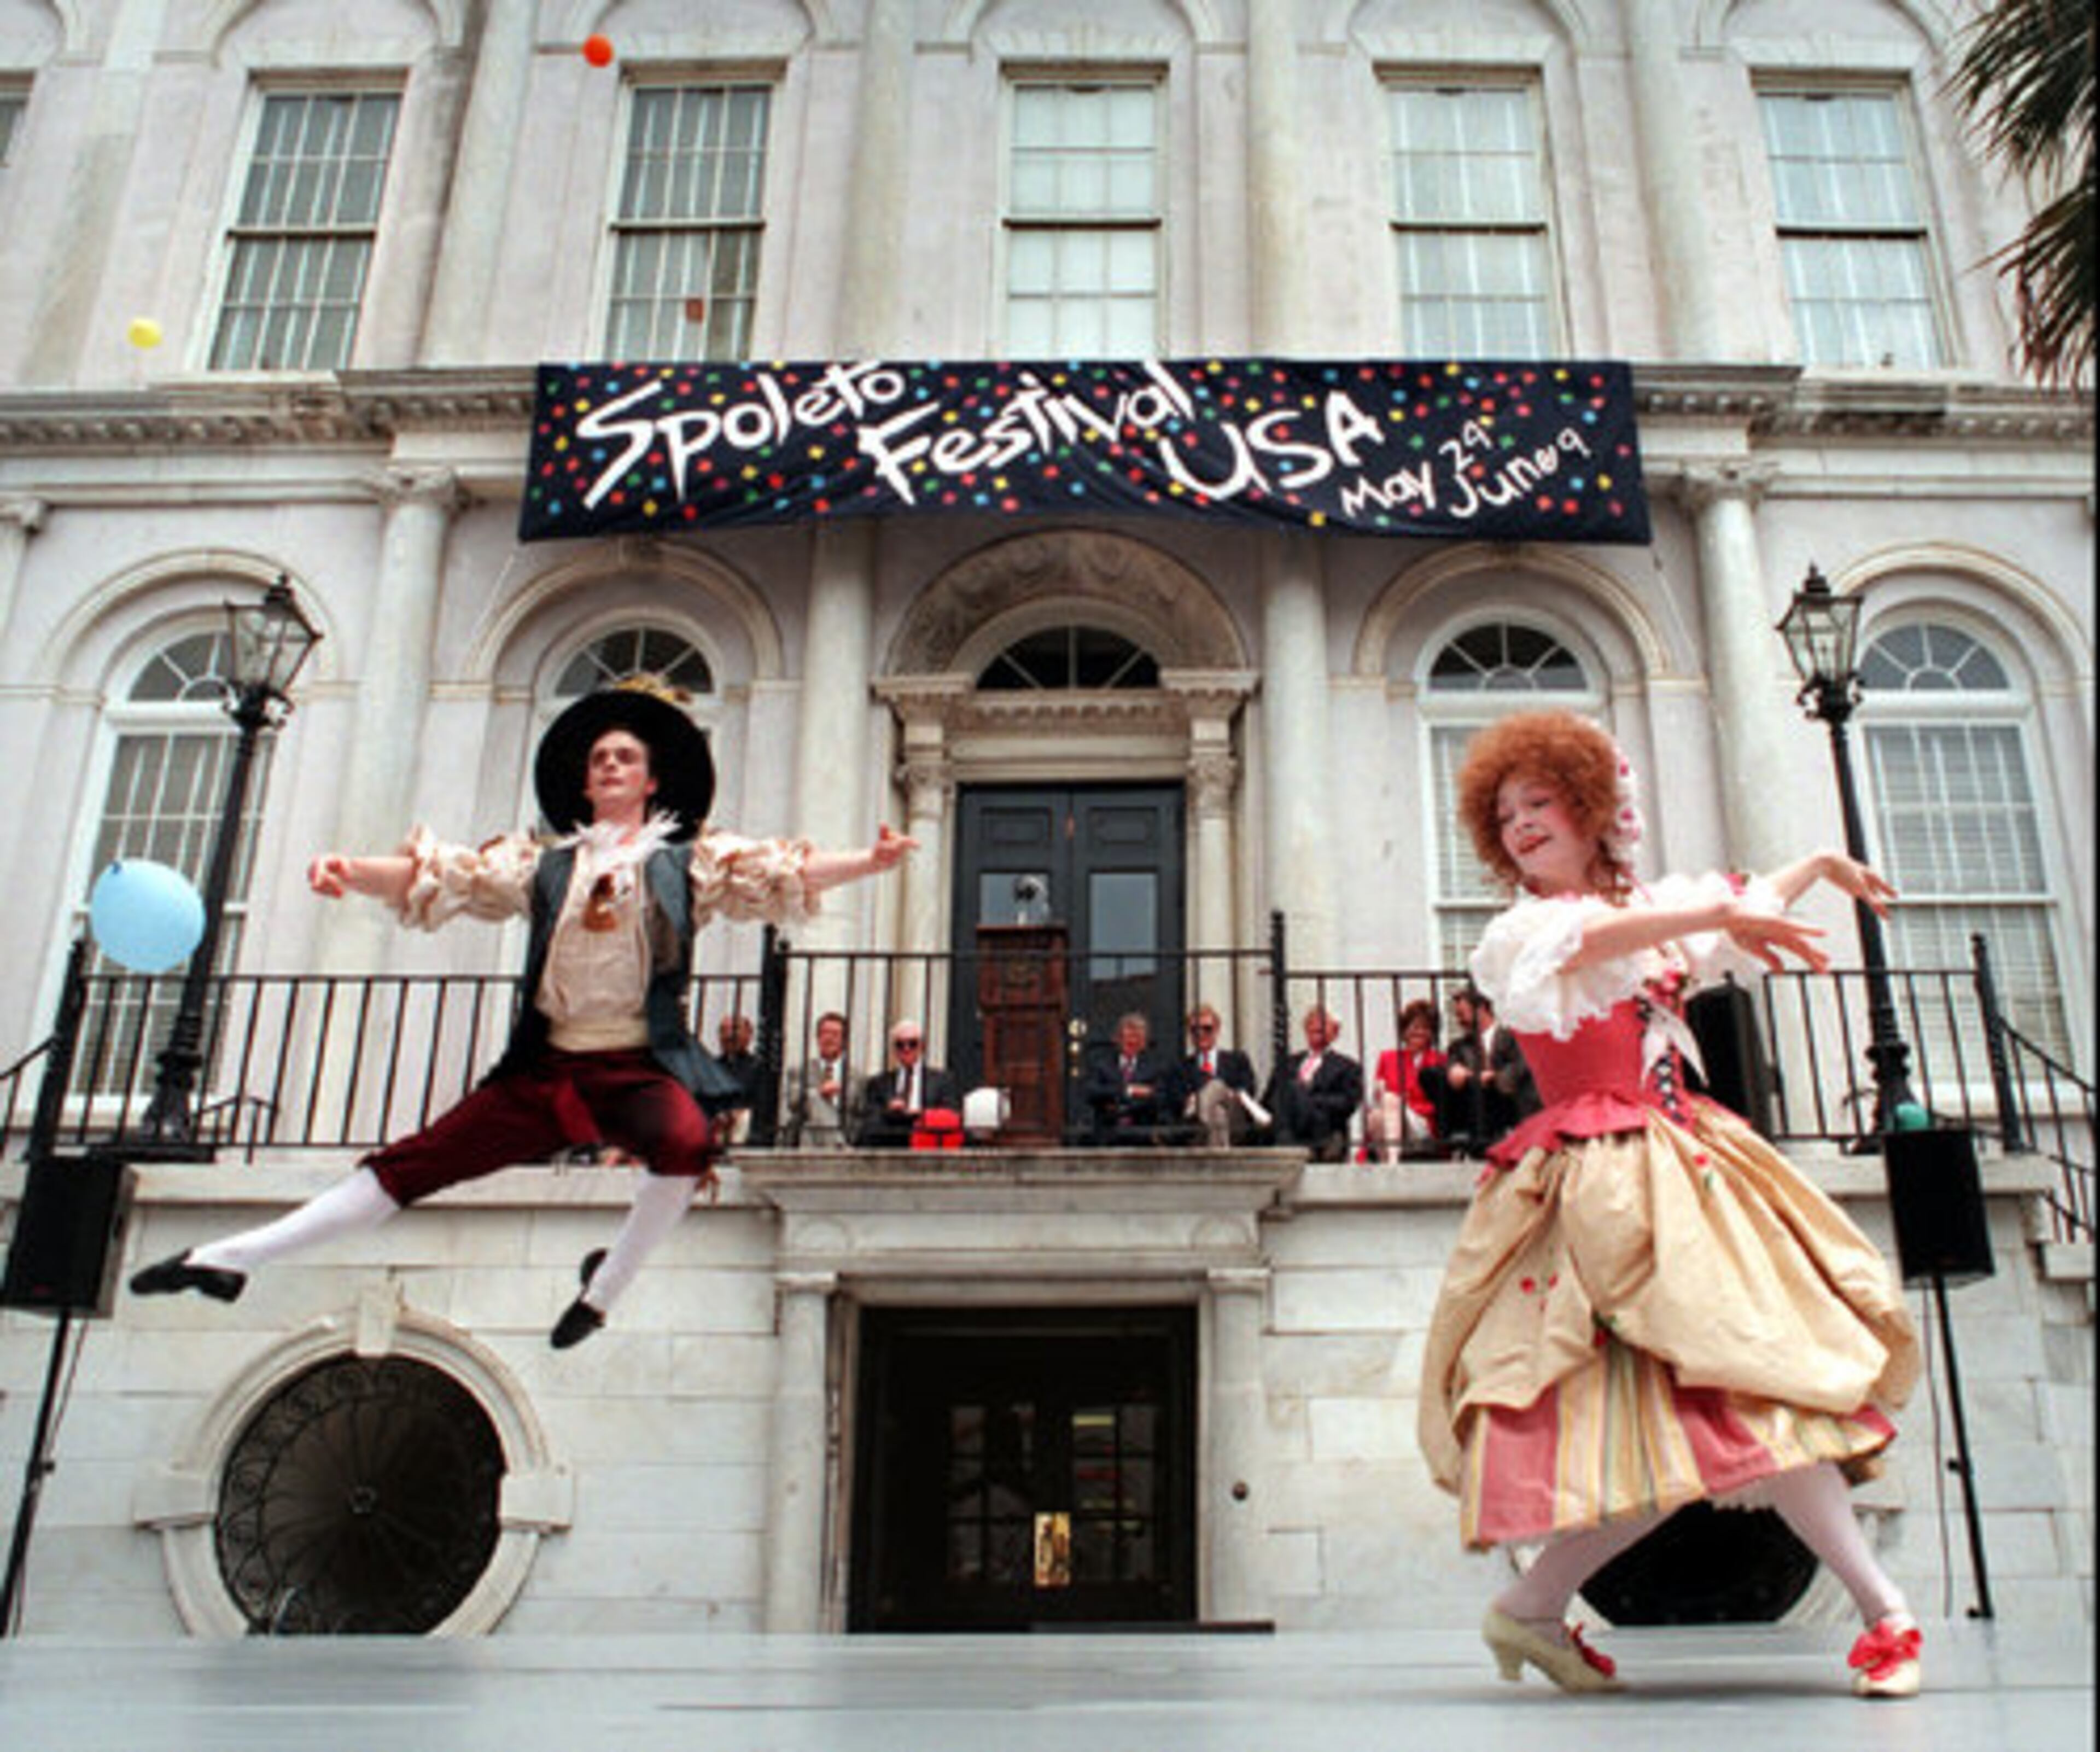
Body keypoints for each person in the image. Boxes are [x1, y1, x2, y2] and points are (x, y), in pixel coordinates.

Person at [129, 679, 915, 1348]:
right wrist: (352, 870)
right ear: (586, 783)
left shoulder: (686, 863)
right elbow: (447, 876)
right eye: (600, 757)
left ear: (650, 781)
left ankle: (600, 1291)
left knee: (684, 1140)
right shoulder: (544, 865)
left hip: (636, 1066)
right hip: (546, 1069)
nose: (609, 764)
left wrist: (869, 861)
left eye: (626, 757)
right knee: (414, 1163)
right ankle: (228, 1258)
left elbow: (780, 873)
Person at [1416, 709, 1923, 1699]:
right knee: (1718, 1406)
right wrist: (1715, 918)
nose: (1520, 824)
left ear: (1593, 807)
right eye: (1505, 812)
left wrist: (1817, 862)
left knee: (1712, 1413)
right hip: (1599, 1187)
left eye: (1540, 801)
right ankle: (1884, 1610)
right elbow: (1611, 933)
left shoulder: (1655, 913)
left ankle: (1530, 1609)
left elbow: (1732, 902)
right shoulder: (1524, 933)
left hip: (1683, 1166)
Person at [1418, 985, 1538, 1155]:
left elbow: (1520, 1068)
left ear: (1481, 1009)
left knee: (1483, 1087)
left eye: (1462, 1014)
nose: (1459, 1021)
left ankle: (1486, 1140)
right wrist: (1455, 1072)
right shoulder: (1460, 1046)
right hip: (1476, 1103)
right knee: (1431, 1075)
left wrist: (1494, 1077)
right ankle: (1458, 1139)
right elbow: (1454, 1067)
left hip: (1508, 1101)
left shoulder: (1512, 1037)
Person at [1261, 1005, 1363, 1162]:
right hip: (1286, 1122)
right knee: (1288, 1092)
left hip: (1321, 1127)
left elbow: (1347, 1103)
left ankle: (1290, 1146)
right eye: (1312, 1023)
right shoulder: (1288, 1063)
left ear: (1335, 1032)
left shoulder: (1347, 1066)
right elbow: (1269, 1099)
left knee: (1294, 1090)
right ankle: (1287, 1144)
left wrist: (1307, 1098)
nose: (1317, 1027)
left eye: (1323, 1024)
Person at [1166, 1003, 1262, 1148]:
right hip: (1197, 1133)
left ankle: (1200, 1115)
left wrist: (1223, 1095)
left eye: (1207, 1029)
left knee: (1216, 1087)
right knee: (1217, 1114)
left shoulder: (1237, 1060)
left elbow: (1249, 1089)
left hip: (1235, 1123)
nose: (1201, 1034)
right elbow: (1177, 1099)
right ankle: (1220, 1165)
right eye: (1195, 1030)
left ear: (1217, 1030)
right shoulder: (1180, 1068)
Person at [1363, 998, 1446, 1163]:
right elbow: (1378, 1097)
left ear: (1432, 1033)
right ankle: (1389, 1162)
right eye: (1414, 1027)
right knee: (1376, 1115)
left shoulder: (1440, 1060)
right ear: (1404, 1031)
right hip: (1393, 1120)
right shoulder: (1388, 1058)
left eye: (1425, 1028)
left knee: (1390, 1099)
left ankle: (1393, 1163)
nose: (1419, 1032)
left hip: (1423, 1123)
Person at [856, 1020, 959, 1148]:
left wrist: (922, 1114)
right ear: (894, 1050)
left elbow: (950, 1115)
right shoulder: (879, 1083)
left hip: (928, 1145)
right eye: (900, 1045)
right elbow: (870, 1121)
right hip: (890, 1144)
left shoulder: (942, 1081)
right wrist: (889, 1111)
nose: (907, 1049)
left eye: (912, 1044)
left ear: (922, 1047)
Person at [1083, 1011, 1177, 1144]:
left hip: (1142, 1133)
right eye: (1128, 1037)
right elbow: (1092, 1092)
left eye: (1137, 1038)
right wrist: (1129, 1091)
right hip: (1108, 1131)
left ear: (1144, 1043)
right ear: (1117, 1039)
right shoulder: (1102, 1065)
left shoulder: (1156, 1068)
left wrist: (1117, 1103)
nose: (1132, 1042)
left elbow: (1158, 1097)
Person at [783, 1010, 859, 1148]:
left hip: (847, 1133)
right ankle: (837, 1144)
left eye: (835, 1035)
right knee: (813, 1098)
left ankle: (837, 1142)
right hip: (808, 1137)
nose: (829, 1039)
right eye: (825, 1033)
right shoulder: (800, 1071)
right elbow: (793, 1102)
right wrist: (820, 1093)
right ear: (818, 1038)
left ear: (844, 1040)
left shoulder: (857, 1076)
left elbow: (860, 1110)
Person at [714, 1012, 759, 1144]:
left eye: (735, 1030)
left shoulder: (759, 1068)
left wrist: (737, 1115)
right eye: (723, 1031)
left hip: (745, 1133)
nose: (729, 1036)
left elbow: (763, 1105)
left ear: (749, 1035)